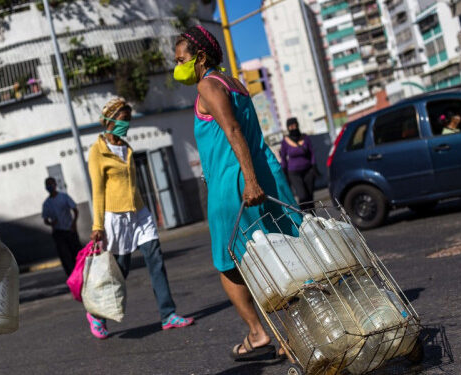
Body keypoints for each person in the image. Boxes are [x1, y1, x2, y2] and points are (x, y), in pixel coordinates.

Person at [173, 25, 300, 361]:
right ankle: (295, 332)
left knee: (229, 263)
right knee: (282, 253)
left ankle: (259, 335)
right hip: (266, 172)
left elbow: (231, 130)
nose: (177, 66)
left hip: (235, 183)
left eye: (180, 59)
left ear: (200, 57)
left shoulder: (208, 85)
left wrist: (249, 181)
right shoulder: (236, 84)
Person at [86, 97, 193, 339]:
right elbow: (98, 190)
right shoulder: (98, 151)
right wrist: (97, 225)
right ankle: (97, 314)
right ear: (111, 120)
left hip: (140, 213)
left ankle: (168, 315)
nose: (127, 124)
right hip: (116, 217)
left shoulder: (126, 147)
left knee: (155, 259)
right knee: (119, 270)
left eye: (129, 120)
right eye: (123, 120)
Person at [42, 178, 82, 276]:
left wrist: (74, 223)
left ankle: (82, 274)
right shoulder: (47, 203)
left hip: (70, 230)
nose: (50, 187)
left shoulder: (64, 197)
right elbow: (45, 220)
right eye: (48, 185)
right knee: (65, 257)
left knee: (76, 254)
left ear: (55, 185)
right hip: (58, 233)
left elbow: (75, 210)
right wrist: (52, 223)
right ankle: (72, 277)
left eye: (51, 184)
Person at [279, 117, 317, 211]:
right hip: (294, 173)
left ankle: (313, 215)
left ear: (297, 125)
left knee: (310, 196)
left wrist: (313, 165)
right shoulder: (285, 141)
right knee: (302, 196)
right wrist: (284, 170)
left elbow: (312, 152)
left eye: (294, 125)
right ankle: (305, 216)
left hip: (308, 171)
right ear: (288, 128)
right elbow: (283, 157)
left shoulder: (305, 138)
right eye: (290, 126)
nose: (293, 128)